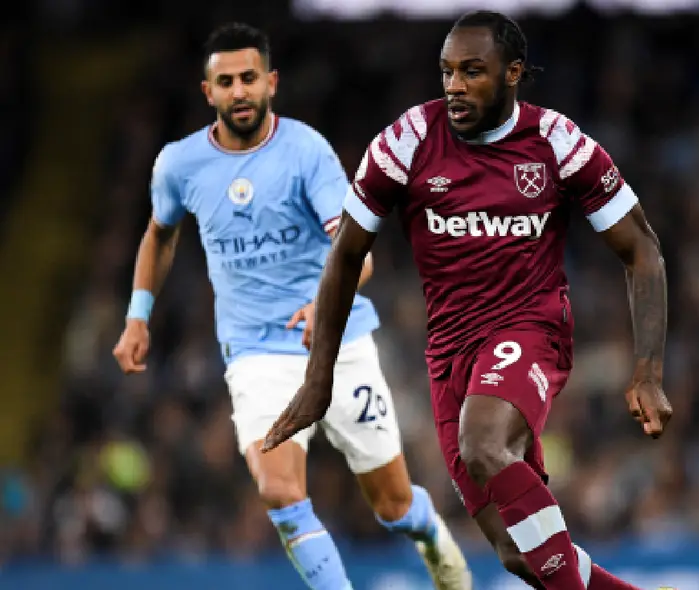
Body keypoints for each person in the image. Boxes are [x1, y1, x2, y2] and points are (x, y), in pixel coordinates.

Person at [262, 10, 672, 590]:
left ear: (512, 74)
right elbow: (344, 256)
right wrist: (317, 378)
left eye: (472, 72)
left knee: (483, 444)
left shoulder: (556, 142)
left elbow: (643, 251)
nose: (454, 86)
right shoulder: (406, 142)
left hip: (530, 330)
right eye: (446, 72)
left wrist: (648, 371)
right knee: (518, 554)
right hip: (449, 354)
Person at [111, 22, 471, 590]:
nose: (239, 91)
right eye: (225, 81)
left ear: (271, 82)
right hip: (256, 352)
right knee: (279, 491)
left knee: (392, 506)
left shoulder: (306, 152)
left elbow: (361, 254)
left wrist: (319, 304)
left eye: (249, 78)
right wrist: (138, 315)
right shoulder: (179, 165)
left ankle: (431, 534)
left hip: (339, 342)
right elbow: (160, 233)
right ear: (208, 92)